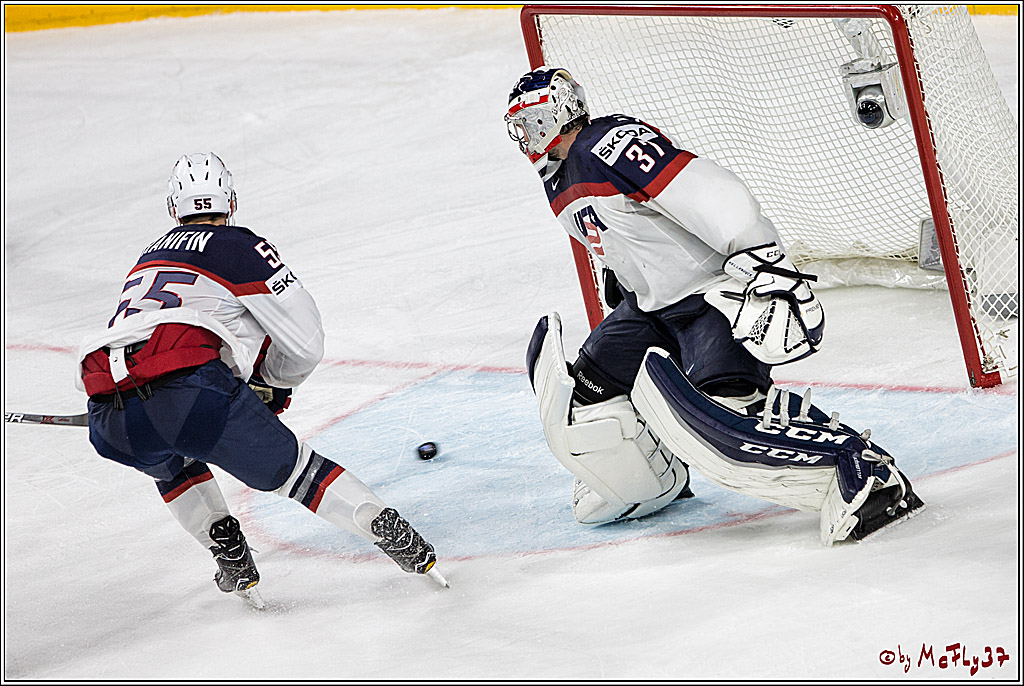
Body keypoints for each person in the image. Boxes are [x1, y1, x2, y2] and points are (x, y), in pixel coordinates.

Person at [506, 67, 923, 544]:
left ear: (561, 111)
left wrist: (762, 258)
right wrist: (623, 282)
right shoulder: (556, 179)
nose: (525, 134)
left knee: (726, 419)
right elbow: (615, 232)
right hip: (650, 310)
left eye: (534, 118)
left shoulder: (608, 142)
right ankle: (650, 482)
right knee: (585, 397)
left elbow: (705, 189)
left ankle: (863, 472)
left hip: (709, 298)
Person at [77, 152, 447, 607]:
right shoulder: (237, 247)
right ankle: (380, 524)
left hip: (111, 418)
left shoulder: (146, 259)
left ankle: (224, 546)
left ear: (174, 208)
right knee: (295, 472)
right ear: (229, 200)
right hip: (193, 396)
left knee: (167, 454)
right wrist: (271, 386)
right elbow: (305, 341)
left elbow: (136, 342)